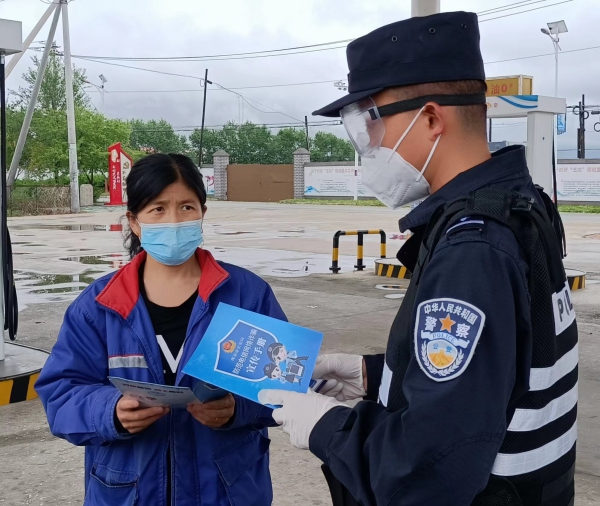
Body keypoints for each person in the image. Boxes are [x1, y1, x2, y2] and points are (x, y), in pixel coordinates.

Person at [260, 12, 578, 506]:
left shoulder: (473, 250)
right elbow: (494, 371)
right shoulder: (521, 204)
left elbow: (429, 469)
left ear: (431, 119)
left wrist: (327, 426)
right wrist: (374, 374)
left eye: (371, 122)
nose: (369, 146)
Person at [36, 153, 284, 505]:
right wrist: (110, 412)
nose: (174, 221)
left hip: (227, 491)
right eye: (158, 209)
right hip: (127, 493)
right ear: (134, 222)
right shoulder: (98, 306)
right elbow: (61, 394)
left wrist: (238, 408)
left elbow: (283, 385)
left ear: (202, 213)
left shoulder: (247, 295)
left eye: (186, 207)